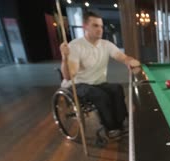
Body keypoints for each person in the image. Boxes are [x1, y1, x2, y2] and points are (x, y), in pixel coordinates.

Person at [60, 11, 140, 140]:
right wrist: (64, 58)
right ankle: (111, 128)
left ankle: (120, 123)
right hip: (78, 84)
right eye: (95, 26)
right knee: (99, 95)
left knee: (117, 88)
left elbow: (122, 57)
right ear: (85, 26)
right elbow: (69, 75)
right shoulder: (75, 46)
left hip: (98, 83)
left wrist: (129, 62)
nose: (100, 29)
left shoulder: (106, 45)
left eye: (101, 26)